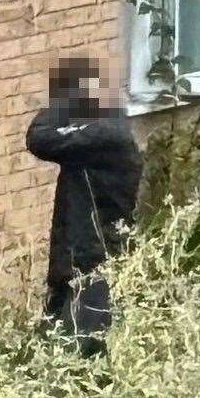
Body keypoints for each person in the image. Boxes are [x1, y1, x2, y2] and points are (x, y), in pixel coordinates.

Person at [26, 56, 143, 357]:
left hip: (93, 260)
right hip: (78, 256)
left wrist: (63, 105)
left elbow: (39, 138)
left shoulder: (104, 137)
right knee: (57, 344)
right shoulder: (100, 135)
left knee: (73, 351)